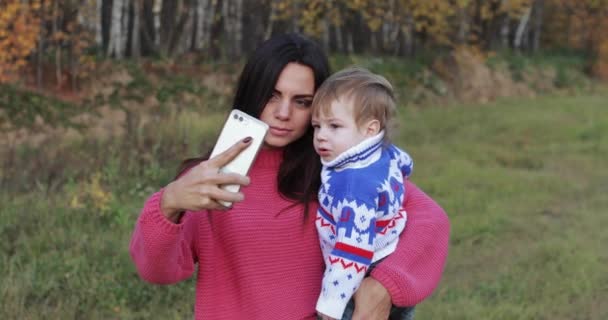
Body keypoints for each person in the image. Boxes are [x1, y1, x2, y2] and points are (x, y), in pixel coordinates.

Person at [129, 33, 450, 320]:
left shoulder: (340, 170)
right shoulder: (209, 177)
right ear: (252, 92)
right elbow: (157, 271)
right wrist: (169, 203)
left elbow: (431, 221)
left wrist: (385, 285)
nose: (283, 113)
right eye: (272, 95)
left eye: (302, 102)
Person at [311, 67, 414, 320]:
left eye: (334, 126)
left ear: (370, 129)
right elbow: (405, 163)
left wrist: (332, 303)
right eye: (317, 126)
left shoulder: (352, 185)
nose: (321, 136)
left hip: (360, 276)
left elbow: (351, 250)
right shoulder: (384, 152)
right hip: (389, 258)